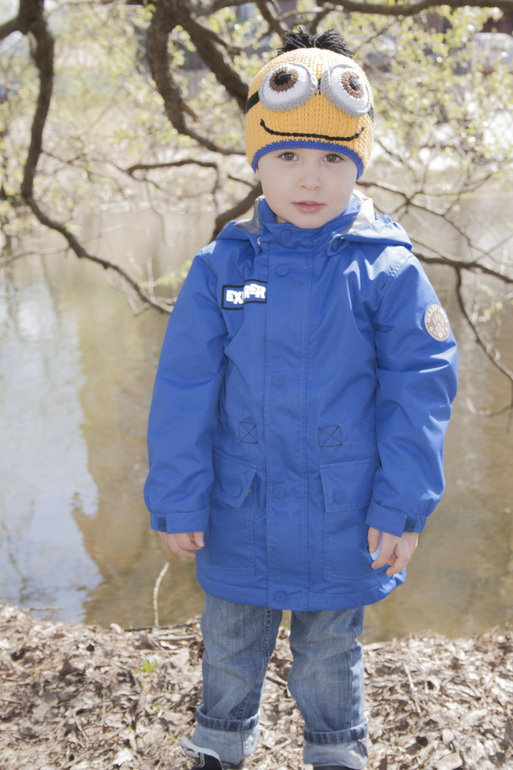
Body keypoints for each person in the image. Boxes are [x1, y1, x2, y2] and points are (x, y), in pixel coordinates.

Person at [144, 28, 458, 770]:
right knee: (229, 640)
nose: (309, 180)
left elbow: (419, 393)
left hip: (343, 514)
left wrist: (401, 505)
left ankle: (336, 750)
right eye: (287, 157)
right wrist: (178, 498)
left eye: (332, 159)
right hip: (238, 508)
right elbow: (183, 390)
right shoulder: (220, 266)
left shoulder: (387, 271)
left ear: (359, 162)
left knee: (327, 651)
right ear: (257, 159)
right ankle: (219, 743)